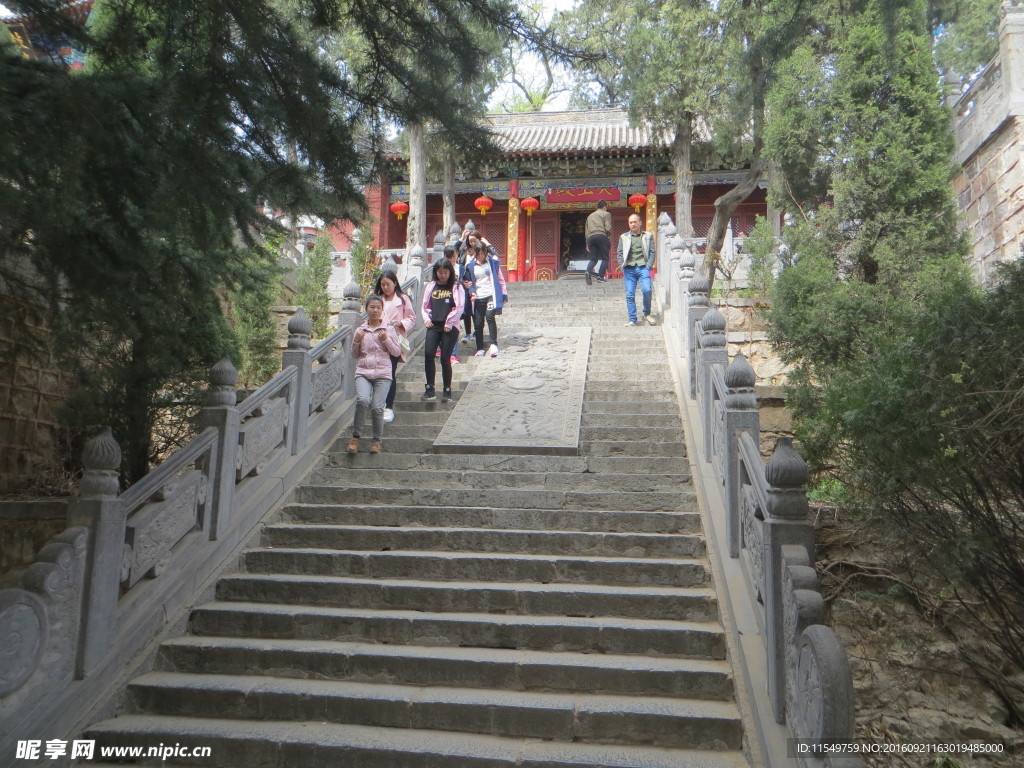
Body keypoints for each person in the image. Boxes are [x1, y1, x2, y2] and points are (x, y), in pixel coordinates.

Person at [347, 295, 400, 455]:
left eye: (378, 307)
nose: (375, 310)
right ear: (366, 309)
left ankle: (376, 441)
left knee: (377, 407)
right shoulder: (360, 330)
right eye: (372, 307)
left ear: (382, 310)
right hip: (363, 371)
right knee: (362, 400)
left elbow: (396, 352)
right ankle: (356, 437)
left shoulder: (388, 329)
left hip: (383, 373)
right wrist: (356, 341)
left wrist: (386, 340)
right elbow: (355, 355)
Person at [421, 257, 465, 402]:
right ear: (436, 272)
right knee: (428, 354)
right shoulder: (431, 285)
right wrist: (426, 319)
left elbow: (459, 307)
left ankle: (447, 389)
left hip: (450, 327)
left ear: (450, 272)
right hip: (434, 325)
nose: (443, 275)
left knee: (445, 357)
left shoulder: (456, 286)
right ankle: (430, 388)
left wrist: (449, 322)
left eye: (445, 272)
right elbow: (425, 305)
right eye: (440, 272)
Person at [373, 270, 415, 424]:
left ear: (395, 283)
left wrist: (401, 323)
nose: (385, 287)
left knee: (390, 373)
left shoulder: (403, 299)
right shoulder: (378, 300)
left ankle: (388, 407)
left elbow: (411, 317)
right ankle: (379, 404)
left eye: (388, 284)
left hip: (395, 340)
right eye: (382, 284)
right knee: (378, 373)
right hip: (378, 341)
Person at [465, 238, 508, 357]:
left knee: (490, 317)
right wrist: (471, 290)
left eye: (483, 253)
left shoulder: (493, 263)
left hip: (490, 294)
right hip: (478, 297)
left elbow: (500, 279)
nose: (480, 256)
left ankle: (494, 344)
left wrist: (504, 294)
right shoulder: (470, 266)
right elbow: (468, 282)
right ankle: (480, 348)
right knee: (478, 323)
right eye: (478, 254)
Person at [616, 213, 657, 326]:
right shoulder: (623, 237)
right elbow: (619, 252)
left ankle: (647, 313)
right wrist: (621, 265)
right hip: (629, 269)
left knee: (647, 290)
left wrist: (648, 265)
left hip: (643, 267)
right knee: (630, 294)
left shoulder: (648, 236)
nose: (633, 224)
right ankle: (632, 319)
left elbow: (652, 252)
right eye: (630, 222)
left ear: (640, 222)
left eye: (635, 222)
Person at [584, 199, 612, 284]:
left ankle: (588, 271)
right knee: (605, 258)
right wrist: (608, 236)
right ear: (604, 207)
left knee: (593, 259)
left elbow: (586, 231)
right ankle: (600, 276)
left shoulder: (590, 216)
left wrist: (587, 244)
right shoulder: (606, 214)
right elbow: (608, 228)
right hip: (601, 235)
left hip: (590, 238)